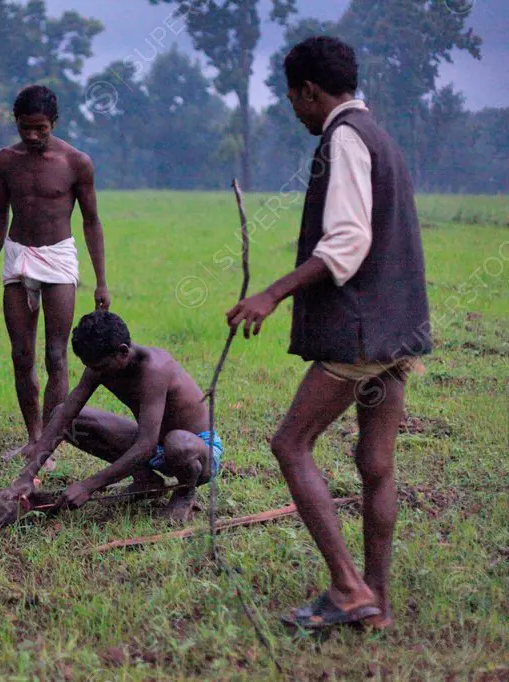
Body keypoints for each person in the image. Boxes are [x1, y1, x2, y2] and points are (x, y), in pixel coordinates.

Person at [227, 36, 431, 630]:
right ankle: (378, 602)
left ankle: (347, 586)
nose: (296, 111)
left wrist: (272, 293)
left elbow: (345, 243)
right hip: (398, 330)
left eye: (294, 99)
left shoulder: (343, 138)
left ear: (310, 91)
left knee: (290, 444)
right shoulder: (381, 135)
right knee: (375, 463)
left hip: (362, 332)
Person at [0, 85, 110, 466]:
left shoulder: (76, 162)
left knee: (57, 353)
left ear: (54, 123)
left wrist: (101, 281)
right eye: (25, 128)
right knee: (22, 355)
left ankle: (49, 445)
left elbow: (91, 221)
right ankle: (33, 438)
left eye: (41, 128)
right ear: (16, 123)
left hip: (58, 258)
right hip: (18, 255)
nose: (33, 136)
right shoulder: (4, 161)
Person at [2, 311, 223, 524]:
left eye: (101, 366)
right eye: (91, 367)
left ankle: (185, 492)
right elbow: (65, 416)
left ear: (123, 351)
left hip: (197, 450)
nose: (96, 372)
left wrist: (89, 485)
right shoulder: (101, 365)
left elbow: (145, 445)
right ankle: (145, 480)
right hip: (156, 444)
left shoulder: (155, 370)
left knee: (178, 443)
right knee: (63, 416)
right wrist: (27, 475)